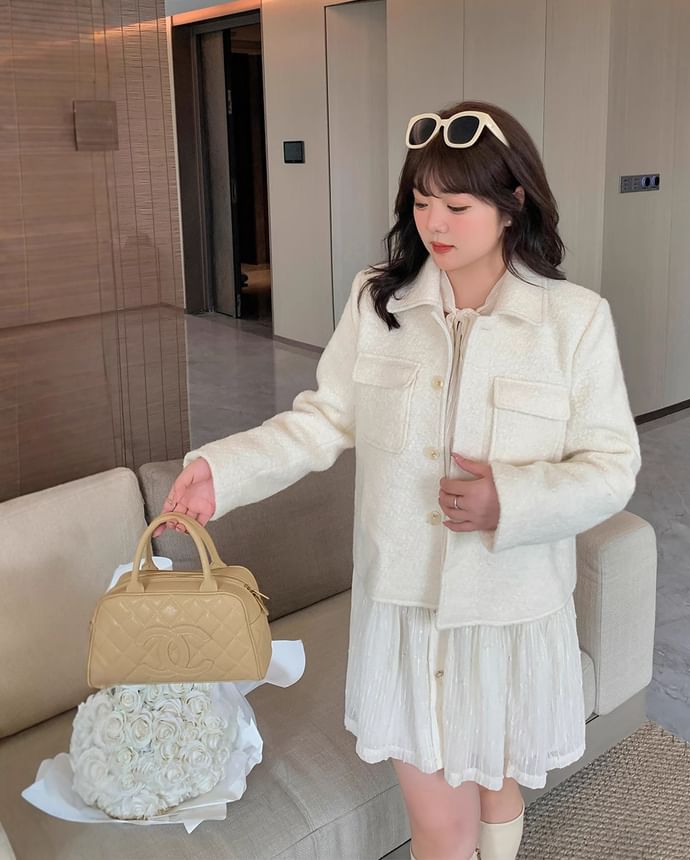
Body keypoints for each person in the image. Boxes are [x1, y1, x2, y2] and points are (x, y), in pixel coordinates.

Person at [156, 101, 642, 860]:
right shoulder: (378, 302)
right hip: (405, 609)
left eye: (457, 206)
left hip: (510, 611)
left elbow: (612, 467)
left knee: (498, 782)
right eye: (420, 202)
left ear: (513, 203)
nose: (434, 224)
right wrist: (226, 469)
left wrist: (510, 501)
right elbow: (324, 419)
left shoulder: (573, 321)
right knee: (442, 830)